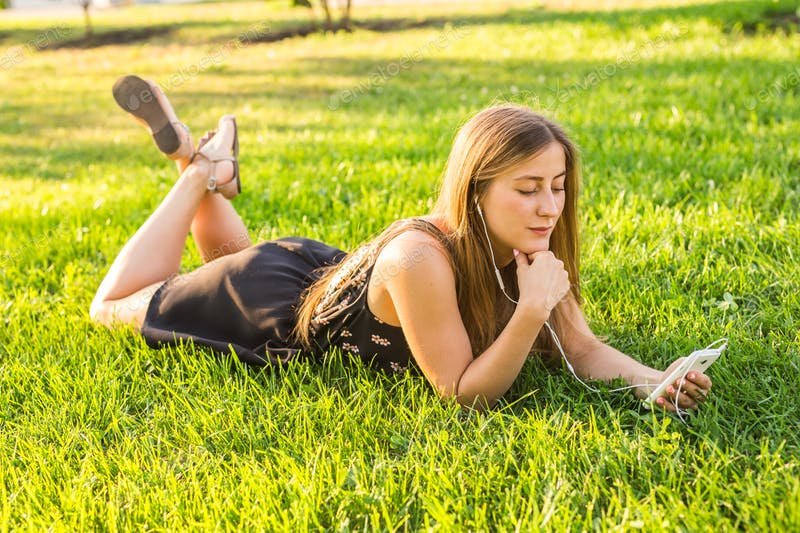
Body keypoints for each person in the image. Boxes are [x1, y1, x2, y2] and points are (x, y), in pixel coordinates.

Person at [90, 75, 713, 413]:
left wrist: (651, 378)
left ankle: (208, 167)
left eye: (556, 187)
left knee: (226, 258)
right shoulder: (420, 259)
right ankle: (200, 172)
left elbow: (577, 345)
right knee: (112, 306)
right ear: (475, 189)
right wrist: (528, 313)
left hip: (319, 278)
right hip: (269, 311)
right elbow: (461, 394)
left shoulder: (528, 241)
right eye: (527, 189)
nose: (549, 207)